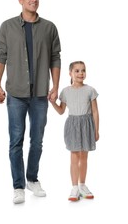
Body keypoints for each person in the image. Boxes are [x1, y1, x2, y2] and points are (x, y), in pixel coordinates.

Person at [0, 0, 61, 204]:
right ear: (21, 0)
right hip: (15, 93)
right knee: (16, 140)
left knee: (38, 140)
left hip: (41, 93)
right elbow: (1, 56)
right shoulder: (7, 26)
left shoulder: (49, 27)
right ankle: (18, 186)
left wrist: (55, 87)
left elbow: (55, 57)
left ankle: (32, 179)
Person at [50, 61, 99, 201]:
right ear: (70, 73)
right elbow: (61, 111)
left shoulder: (90, 90)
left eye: (83, 70)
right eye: (77, 71)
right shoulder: (65, 91)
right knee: (74, 156)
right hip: (73, 125)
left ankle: (82, 185)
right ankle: (74, 187)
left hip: (87, 125)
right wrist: (53, 102)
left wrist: (96, 130)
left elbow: (95, 111)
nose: (80, 73)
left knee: (84, 157)